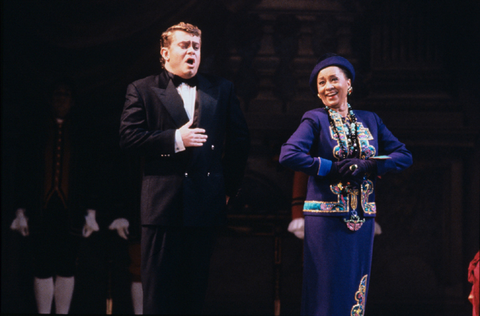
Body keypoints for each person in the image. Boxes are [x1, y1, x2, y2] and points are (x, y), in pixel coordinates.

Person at [119, 22, 250, 315]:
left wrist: (227, 189)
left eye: (196, 47)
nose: (192, 51)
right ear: (165, 53)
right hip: (162, 205)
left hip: (204, 203)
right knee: (158, 295)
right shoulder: (143, 89)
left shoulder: (222, 89)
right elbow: (128, 139)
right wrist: (176, 138)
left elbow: (240, 142)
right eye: (184, 45)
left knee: (194, 294)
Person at [279, 53, 412, 315]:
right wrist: (330, 168)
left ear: (348, 84)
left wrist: (371, 165)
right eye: (321, 83)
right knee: (326, 290)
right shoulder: (314, 119)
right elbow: (289, 154)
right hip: (326, 221)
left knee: (356, 289)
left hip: (362, 219)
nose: (327, 86)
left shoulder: (370, 119)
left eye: (333, 80)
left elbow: (404, 156)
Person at [9, 78, 100, 314]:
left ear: (72, 102)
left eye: (66, 94)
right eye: (57, 94)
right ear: (50, 99)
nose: (61, 98)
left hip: (71, 211)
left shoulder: (81, 133)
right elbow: (22, 172)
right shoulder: (35, 131)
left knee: (68, 265)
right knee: (41, 265)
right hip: (41, 210)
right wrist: (20, 211)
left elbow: (90, 173)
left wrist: (91, 212)